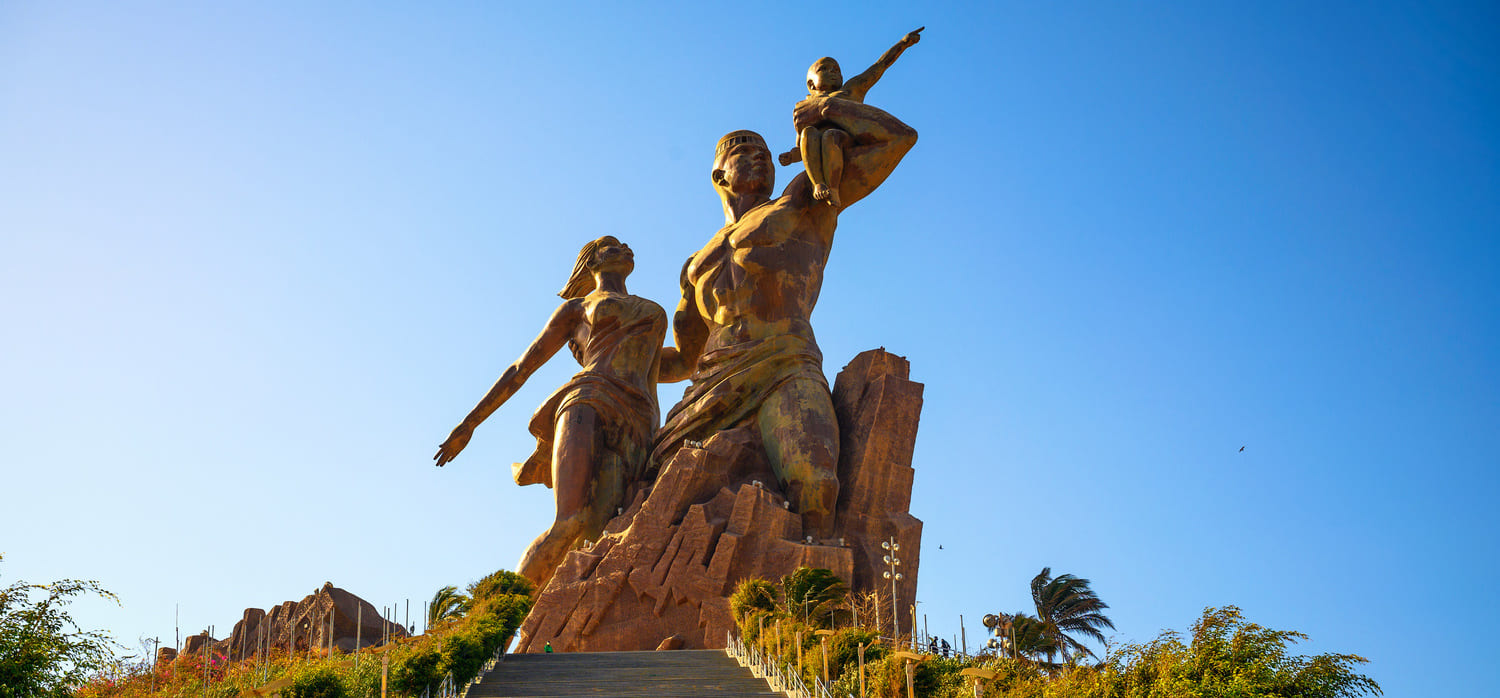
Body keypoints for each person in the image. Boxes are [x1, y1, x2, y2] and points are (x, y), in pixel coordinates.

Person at [653, 83, 918, 540]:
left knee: (816, 482)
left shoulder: (803, 198)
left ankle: (817, 581)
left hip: (785, 363)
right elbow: (681, 360)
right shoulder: (695, 265)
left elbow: (898, 139)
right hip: (711, 383)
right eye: (744, 152)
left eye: (765, 153)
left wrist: (826, 107)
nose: (761, 158)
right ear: (719, 175)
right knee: (654, 491)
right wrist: (611, 361)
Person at [435, 237, 667, 589]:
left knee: (598, 531)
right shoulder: (577, 309)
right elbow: (521, 369)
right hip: (588, 400)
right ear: (592, 263)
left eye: (624, 244)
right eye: (611, 246)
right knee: (570, 522)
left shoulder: (652, 310)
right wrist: (469, 424)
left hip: (638, 419)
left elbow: (669, 364)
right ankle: (501, 614)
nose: (624, 247)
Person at [778, 28, 922, 208]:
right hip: (817, 152)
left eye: (836, 70)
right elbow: (802, 144)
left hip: (845, 141)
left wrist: (902, 44)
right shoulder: (803, 108)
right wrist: (791, 156)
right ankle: (818, 183)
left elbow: (878, 67)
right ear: (811, 84)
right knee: (809, 132)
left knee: (831, 136)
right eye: (824, 69)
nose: (833, 72)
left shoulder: (849, 90)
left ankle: (833, 188)